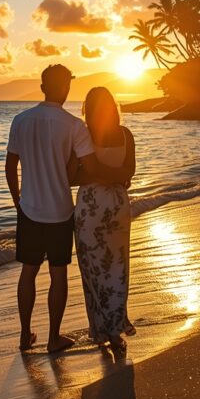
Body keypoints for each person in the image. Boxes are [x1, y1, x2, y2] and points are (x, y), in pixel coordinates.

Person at [5, 65, 133, 353]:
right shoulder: (74, 125)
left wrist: (17, 202)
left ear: (42, 87)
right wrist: (119, 177)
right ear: (66, 88)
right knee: (58, 274)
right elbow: (91, 167)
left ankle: (25, 336)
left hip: (30, 208)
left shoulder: (20, 121)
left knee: (28, 272)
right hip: (61, 210)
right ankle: (53, 338)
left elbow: (10, 165)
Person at [70, 87, 136, 353]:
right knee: (118, 269)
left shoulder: (83, 135)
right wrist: (114, 176)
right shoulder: (125, 134)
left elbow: (72, 177)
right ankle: (114, 329)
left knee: (93, 271)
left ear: (87, 108)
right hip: (118, 204)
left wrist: (96, 173)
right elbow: (128, 172)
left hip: (91, 207)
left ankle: (101, 331)